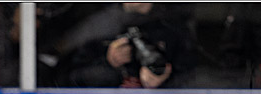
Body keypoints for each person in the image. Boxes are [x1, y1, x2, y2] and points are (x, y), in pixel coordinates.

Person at [62, 2, 197, 88]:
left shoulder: (173, 26)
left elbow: (194, 80)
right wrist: (107, 60)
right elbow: (67, 79)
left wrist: (163, 80)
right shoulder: (97, 25)